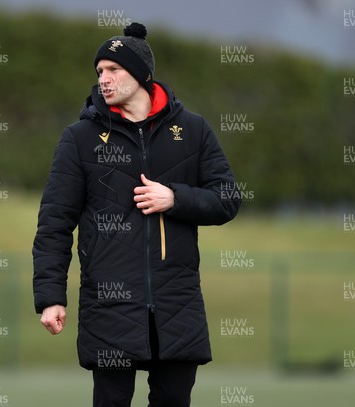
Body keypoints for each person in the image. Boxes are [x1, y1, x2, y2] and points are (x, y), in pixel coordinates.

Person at [33, 22, 241, 407]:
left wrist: (174, 198)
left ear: (143, 75)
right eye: (99, 72)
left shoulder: (193, 130)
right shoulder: (79, 139)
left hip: (177, 307)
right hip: (109, 306)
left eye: (114, 70)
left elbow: (228, 198)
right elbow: (54, 223)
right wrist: (50, 297)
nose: (104, 80)